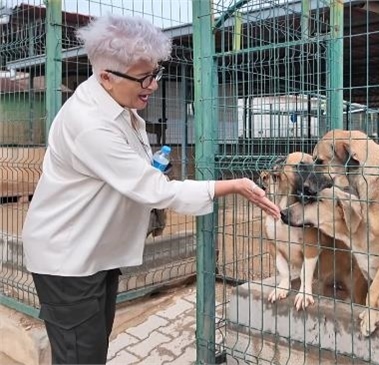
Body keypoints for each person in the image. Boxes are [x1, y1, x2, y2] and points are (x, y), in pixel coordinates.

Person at [21, 14, 280, 364]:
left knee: (90, 347)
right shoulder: (90, 125)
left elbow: (134, 173)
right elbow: (155, 190)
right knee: (81, 355)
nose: (153, 84)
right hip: (67, 259)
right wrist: (232, 185)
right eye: (145, 77)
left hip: (93, 250)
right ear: (107, 77)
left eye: (155, 73)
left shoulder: (115, 104)